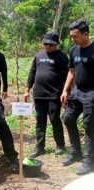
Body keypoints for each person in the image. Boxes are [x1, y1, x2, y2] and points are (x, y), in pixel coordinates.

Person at [24, 31, 69, 158]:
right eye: (46, 44)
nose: (48, 47)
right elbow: (32, 73)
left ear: (56, 44)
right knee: (40, 121)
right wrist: (27, 90)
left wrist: (66, 93)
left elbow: (67, 76)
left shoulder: (62, 56)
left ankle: (60, 145)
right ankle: (40, 147)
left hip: (54, 94)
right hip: (39, 94)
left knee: (54, 119)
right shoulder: (38, 55)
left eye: (51, 44)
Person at [61, 20, 94, 175]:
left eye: (75, 36)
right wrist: (65, 90)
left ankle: (89, 160)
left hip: (92, 92)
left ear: (85, 34)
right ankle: (76, 152)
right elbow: (72, 71)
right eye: (71, 36)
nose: (72, 39)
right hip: (77, 90)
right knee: (67, 118)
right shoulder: (74, 49)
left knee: (89, 125)